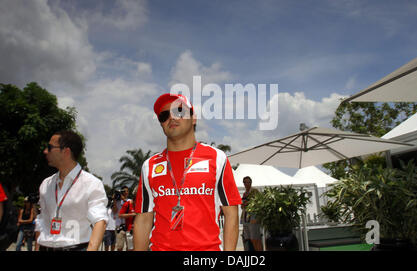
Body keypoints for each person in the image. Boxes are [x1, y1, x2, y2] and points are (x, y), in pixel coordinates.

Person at [134, 93, 241, 251]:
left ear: (193, 118)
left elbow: (231, 214)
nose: (171, 118)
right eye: (164, 115)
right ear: (161, 123)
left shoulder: (217, 158)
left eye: (178, 111)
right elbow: (143, 219)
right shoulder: (149, 165)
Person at [37, 130, 108, 251]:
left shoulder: (91, 184)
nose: (45, 151)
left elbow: (99, 221)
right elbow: (42, 221)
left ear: (66, 151)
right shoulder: (46, 184)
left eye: (50, 147)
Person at [241, 176, 263, 251]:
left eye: (248, 182)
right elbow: (242, 206)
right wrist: (243, 204)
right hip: (246, 218)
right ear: (243, 183)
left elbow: (260, 203)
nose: (247, 184)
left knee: (256, 239)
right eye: (245, 182)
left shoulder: (255, 191)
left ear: (251, 182)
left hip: (253, 218)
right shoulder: (244, 193)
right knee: (250, 239)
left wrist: (258, 218)